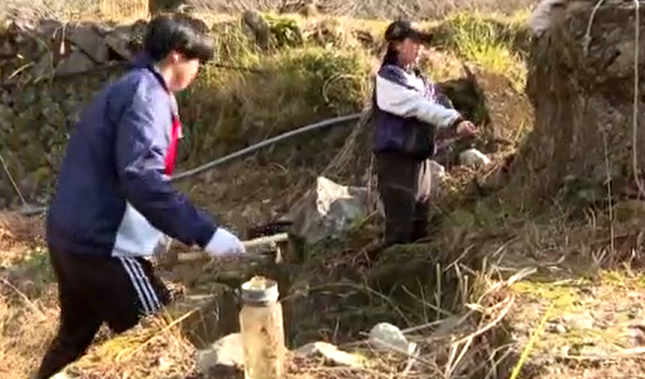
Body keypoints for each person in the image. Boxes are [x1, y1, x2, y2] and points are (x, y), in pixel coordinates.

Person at [34, 14, 246, 379]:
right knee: (162, 337)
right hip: (104, 246)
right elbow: (142, 178)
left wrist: (162, 233)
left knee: (72, 340)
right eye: (197, 61)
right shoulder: (147, 97)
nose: (198, 70)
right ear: (177, 56)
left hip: (70, 236)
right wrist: (205, 233)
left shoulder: (130, 86)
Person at [371, 20, 478, 254]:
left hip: (419, 159)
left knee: (420, 226)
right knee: (399, 232)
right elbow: (418, 106)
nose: (420, 48)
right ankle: (383, 280)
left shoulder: (420, 79)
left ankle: (412, 282)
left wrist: (458, 121)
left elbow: (438, 102)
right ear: (397, 45)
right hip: (396, 159)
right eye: (414, 42)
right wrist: (454, 121)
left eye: (422, 43)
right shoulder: (388, 78)